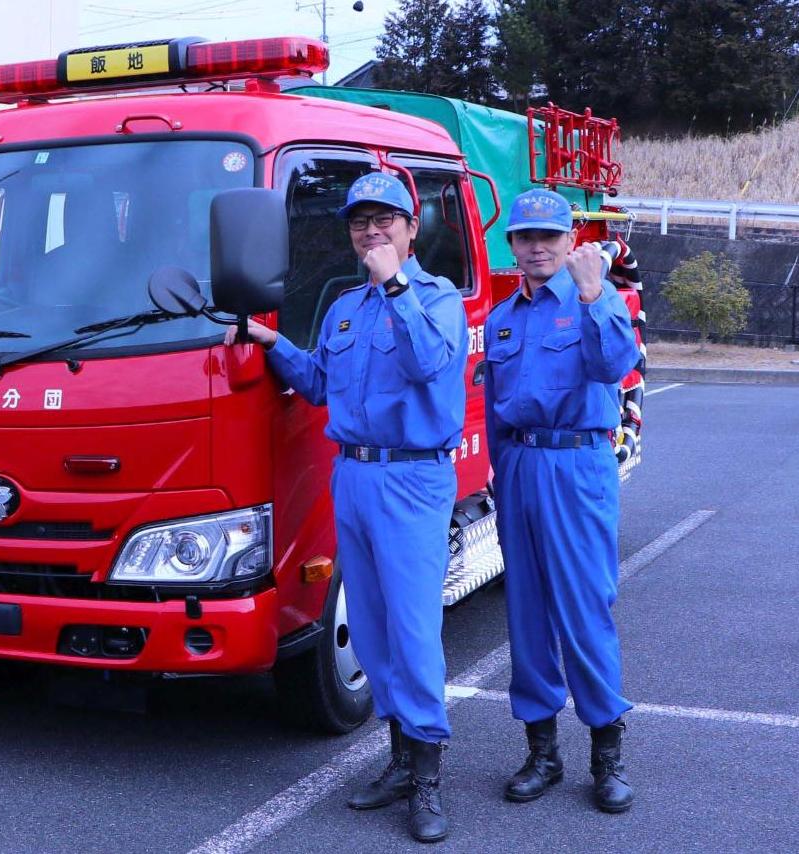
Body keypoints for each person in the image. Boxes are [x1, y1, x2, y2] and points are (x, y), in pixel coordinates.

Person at [226, 172, 466, 843]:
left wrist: (394, 285)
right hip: (354, 477)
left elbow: (429, 364)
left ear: (411, 229)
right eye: (360, 221)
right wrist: (272, 344)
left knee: (413, 629)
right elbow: (320, 385)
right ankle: (396, 762)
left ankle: (425, 778)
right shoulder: (343, 308)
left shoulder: (434, 297)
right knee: (369, 625)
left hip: (413, 479)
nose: (370, 230)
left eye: (384, 219)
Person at [484, 189, 640, 814]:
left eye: (550, 235)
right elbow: (497, 414)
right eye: (526, 237)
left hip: (577, 463)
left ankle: (607, 752)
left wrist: (593, 293)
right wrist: (502, 477)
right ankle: (542, 751)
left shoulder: (593, 301)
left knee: (583, 609)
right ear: (513, 246)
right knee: (525, 611)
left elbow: (615, 364)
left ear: (570, 241)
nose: (538, 245)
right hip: (520, 464)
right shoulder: (500, 319)